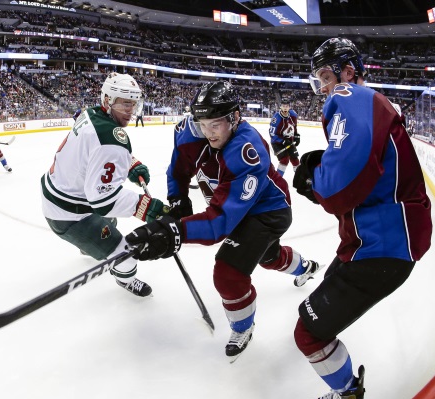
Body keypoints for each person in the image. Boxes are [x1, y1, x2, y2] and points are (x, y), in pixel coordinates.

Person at [125, 81, 322, 360]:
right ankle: (305, 267)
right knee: (268, 256)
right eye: (202, 124)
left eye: (215, 124)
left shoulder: (247, 150)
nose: (207, 133)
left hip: (267, 210)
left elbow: (219, 223)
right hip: (230, 206)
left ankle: (243, 326)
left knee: (228, 273)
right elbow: (178, 172)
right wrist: (179, 201)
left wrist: (173, 232)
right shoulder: (188, 132)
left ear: (235, 117)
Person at [289, 37, 432, 399]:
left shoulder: (352, 96)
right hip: (373, 244)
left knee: (308, 332)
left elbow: (340, 188)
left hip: (381, 248)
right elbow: (368, 173)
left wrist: (316, 182)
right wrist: (321, 172)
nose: (322, 86)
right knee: (314, 317)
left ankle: (348, 393)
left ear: (348, 71)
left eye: (324, 75)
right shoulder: (370, 102)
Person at [40, 72, 168, 297]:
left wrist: (129, 163)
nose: (130, 111)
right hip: (69, 215)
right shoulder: (112, 137)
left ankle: (88, 245)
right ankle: (124, 279)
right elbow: (103, 200)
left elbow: (96, 153)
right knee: (126, 257)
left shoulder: (91, 113)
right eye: (125, 104)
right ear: (108, 100)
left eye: (133, 104)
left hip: (62, 196)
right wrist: (148, 207)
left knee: (111, 220)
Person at [269, 98, 300, 177]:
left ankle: (300, 178)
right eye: (283, 106)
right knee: (284, 160)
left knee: (295, 159)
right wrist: (282, 141)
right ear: (280, 107)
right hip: (277, 142)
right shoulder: (276, 118)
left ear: (289, 107)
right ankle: (278, 178)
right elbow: (272, 133)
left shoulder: (293, 115)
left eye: (287, 106)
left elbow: (294, 126)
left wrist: (296, 135)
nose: (285, 107)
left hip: (289, 140)